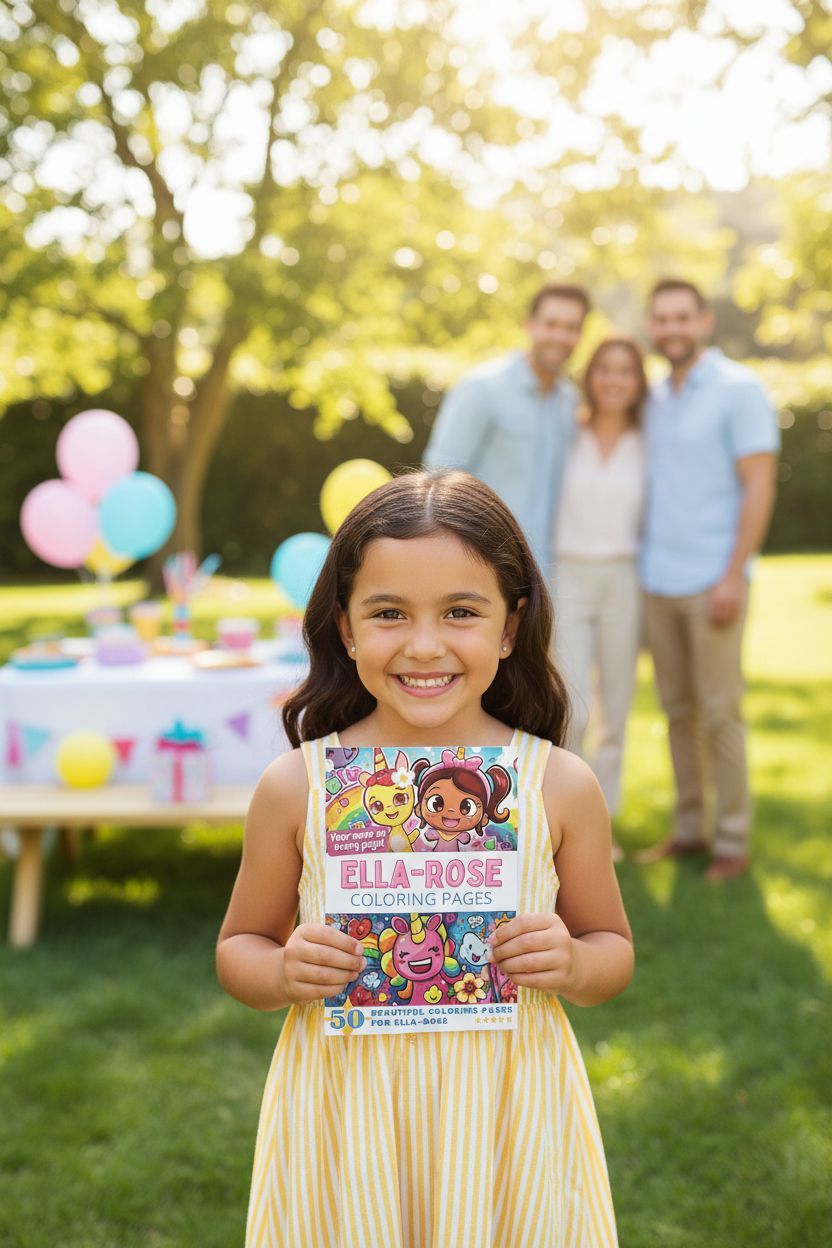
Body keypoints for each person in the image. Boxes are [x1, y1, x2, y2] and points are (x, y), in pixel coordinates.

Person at [217, 469, 634, 1248]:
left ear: (511, 627)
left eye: (461, 612)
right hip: (347, 1118)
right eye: (388, 613)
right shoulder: (297, 787)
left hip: (508, 1116)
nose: (424, 644)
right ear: (343, 625)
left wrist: (574, 962)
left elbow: (612, 947)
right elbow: (239, 945)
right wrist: (279, 973)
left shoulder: (559, 785)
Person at [639, 278, 779, 882]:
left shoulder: (738, 389)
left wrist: (733, 575)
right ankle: (690, 829)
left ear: (703, 323)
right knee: (677, 712)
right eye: (661, 319)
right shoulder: (654, 396)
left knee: (720, 713)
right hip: (657, 579)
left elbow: (759, 485)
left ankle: (733, 839)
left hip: (712, 581)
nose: (671, 328)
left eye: (682, 318)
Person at [423, 283, 590, 572]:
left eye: (571, 327)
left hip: (544, 574)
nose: (561, 336)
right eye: (551, 324)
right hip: (482, 566)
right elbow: (438, 479)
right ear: (530, 325)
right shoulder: (482, 388)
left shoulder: (570, 402)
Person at [554, 337, 647, 838]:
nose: (614, 380)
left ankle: (602, 829)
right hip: (568, 574)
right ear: (590, 376)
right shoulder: (566, 432)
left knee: (617, 704)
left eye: (625, 371)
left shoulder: (649, 439)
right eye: (605, 369)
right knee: (572, 706)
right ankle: (569, 821)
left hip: (624, 577)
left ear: (638, 381)